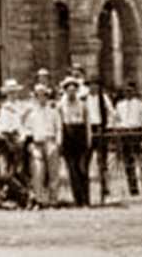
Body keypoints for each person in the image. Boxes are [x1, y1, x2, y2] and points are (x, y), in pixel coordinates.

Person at [25, 83, 62, 207]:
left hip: (50, 141)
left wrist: (57, 143)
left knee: (53, 172)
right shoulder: (31, 113)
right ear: (35, 97)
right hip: (37, 143)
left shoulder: (53, 111)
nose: (41, 97)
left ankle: (53, 200)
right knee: (38, 172)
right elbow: (27, 130)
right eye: (38, 95)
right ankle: (39, 199)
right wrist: (30, 144)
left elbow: (59, 128)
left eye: (44, 95)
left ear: (47, 96)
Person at [115, 82, 142, 196]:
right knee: (128, 164)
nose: (128, 93)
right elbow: (117, 120)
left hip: (137, 133)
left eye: (130, 90)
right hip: (125, 134)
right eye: (126, 91)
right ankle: (133, 190)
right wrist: (118, 130)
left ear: (134, 91)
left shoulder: (141, 105)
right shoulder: (119, 105)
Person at [57, 76, 92, 206]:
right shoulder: (61, 105)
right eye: (68, 90)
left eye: (73, 90)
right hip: (68, 137)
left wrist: (88, 139)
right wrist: (60, 142)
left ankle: (86, 199)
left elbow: (87, 123)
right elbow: (59, 124)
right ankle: (78, 199)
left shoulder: (82, 105)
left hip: (80, 137)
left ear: (77, 90)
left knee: (82, 169)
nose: (71, 93)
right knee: (72, 170)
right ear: (65, 91)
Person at [86, 76, 116, 200]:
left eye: (96, 85)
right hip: (88, 130)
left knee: (102, 162)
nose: (93, 87)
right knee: (86, 160)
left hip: (100, 128)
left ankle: (105, 189)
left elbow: (112, 113)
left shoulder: (103, 98)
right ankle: (86, 191)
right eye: (91, 85)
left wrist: (109, 126)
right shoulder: (84, 99)